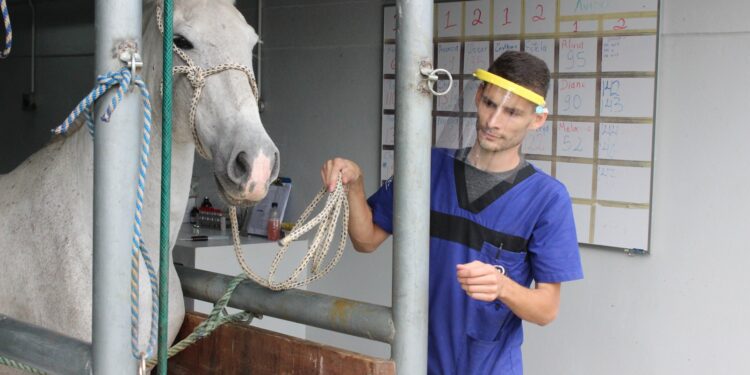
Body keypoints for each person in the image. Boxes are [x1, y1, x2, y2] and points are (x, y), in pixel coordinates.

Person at [321, 50, 583, 375]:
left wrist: (503, 287)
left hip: (489, 368)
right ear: (478, 96)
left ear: (537, 119)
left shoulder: (547, 198)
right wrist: (355, 185)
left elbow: (547, 309)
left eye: (512, 113)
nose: (493, 121)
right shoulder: (429, 167)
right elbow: (366, 239)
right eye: (489, 104)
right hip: (416, 362)